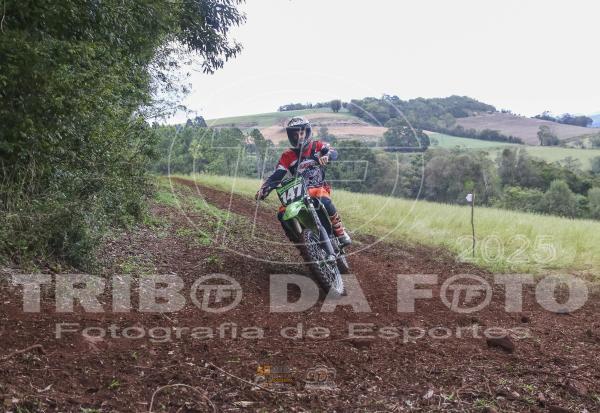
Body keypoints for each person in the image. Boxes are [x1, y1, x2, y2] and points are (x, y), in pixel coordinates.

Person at [255, 116, 351, 246]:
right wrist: (264, 189)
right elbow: (277, 175)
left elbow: (333, 152)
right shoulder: (287, 156)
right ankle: (299, 242)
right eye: (295, 135)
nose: (299, 137)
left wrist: (327, 156)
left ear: (307, 132)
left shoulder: (317, 146)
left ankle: (339, 230)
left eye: (301, 133)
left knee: (324, 200)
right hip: (299, 192)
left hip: (318, 187)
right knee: (282, 213)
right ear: (290, 137)